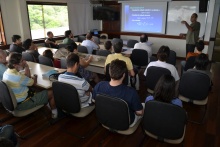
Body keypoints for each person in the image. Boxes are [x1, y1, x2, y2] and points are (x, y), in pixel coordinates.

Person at [2, 52, 58, 118]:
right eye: (22, 61)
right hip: (23, 104)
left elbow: (25, 79)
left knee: (37, 89)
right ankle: (55, 115)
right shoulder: (19, 77)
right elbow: (33, 83)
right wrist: (34, 76)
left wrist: (26, 67)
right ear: (15, 65)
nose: (25, 61)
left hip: (14, 101)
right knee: (51, 92)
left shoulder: (7, 72)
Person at [92, 59, 143, 127]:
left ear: (109, 72)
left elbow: (94, 101)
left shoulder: (99, 85)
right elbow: (139, 112)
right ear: (124, 75)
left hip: (105, 118)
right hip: (125, 123)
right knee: (143, 106)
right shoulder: (131, 92)